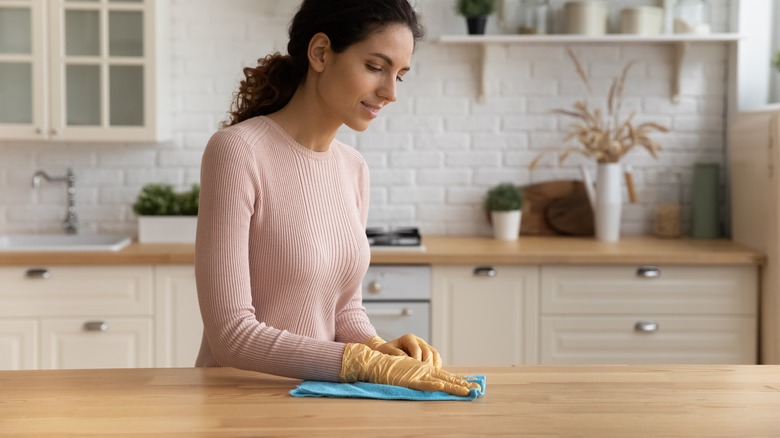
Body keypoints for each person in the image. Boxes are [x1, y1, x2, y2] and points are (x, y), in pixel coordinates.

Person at [195, 0, 478, 396]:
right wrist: (362, 363)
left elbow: (344, 309)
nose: (390, 92)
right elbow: (231, 334)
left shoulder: (354, 168)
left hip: (321, 398)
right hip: (240, 401)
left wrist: (380, 347)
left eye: (400, 75)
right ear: (321, 53)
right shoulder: (237, 151)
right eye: (376, 67)